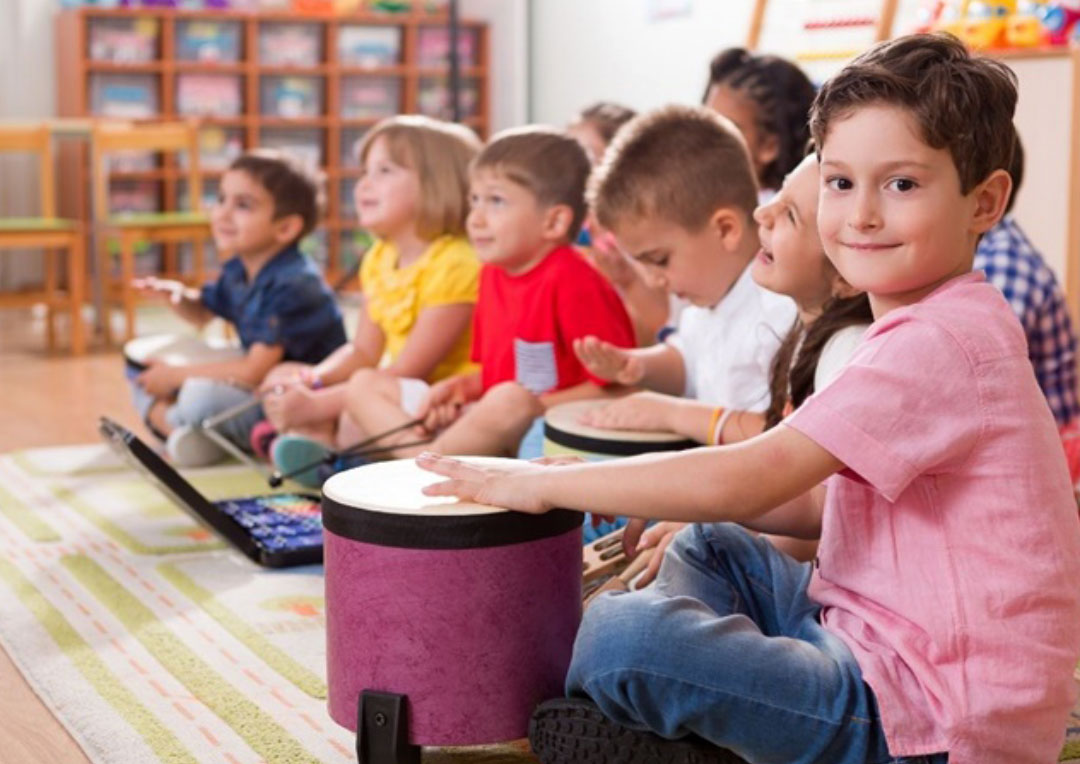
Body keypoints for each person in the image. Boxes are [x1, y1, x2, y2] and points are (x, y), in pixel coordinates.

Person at [419, 34, 1080, 764]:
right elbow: (806, 502)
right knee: (712, 545)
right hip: (862, 628)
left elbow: (755, 472)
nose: (859, 216)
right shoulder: (921, 322)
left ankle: (699, 725)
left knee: (621, 639)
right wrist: (640, 492)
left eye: (901, 185)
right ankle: (720, 712)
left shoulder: (940, 341)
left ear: (984, 201)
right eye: (838, 183)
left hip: (928, 716)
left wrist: (547, 482)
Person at [617, 153, 872, 575]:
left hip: (813, 584)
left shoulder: (847, 348)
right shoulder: (806, 335)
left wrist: (714, 528)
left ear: (843, 277)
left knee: (629, 623)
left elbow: (821, 518)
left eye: (789, 214)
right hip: (763, 534)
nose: (761, 212)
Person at [332, 126, 635, 475]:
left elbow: (619, 389)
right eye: (474, 200)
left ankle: (423, 469)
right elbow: (493, 375)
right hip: (485, 421)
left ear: (554, 221)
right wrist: (461, 388)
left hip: (539, 429)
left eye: (496, 201)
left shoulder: (575, 281)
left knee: (509, 398)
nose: (475, 218)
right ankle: (428, 460)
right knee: (365, 384)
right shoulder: (491, 274)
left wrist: (528, 407)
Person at [261, 115, 482, 484]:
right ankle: (321, 450)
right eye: (365, 170)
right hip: (398, 391)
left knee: (353, 412)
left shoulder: (456, 262)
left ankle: (326, 451)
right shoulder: (379, 257)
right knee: (283, 375)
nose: (364, 183)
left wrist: (317, 403)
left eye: (384, 170)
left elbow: (411, 370)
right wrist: (313, 379)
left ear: (435, 184)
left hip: (444, 404)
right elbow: (363, 350)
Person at [571, 105, 796, 446]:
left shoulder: (780, 309)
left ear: (725, 229)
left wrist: (671, 414)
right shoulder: (706, 301)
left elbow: (791, 437)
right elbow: (687, 361)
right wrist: (636, 365)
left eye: (659, 260)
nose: (652, 280)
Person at [131, 150, 346, 467]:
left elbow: (253, 371)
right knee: (138, 365)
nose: (223, 213)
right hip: (253, 388)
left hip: (295, 401)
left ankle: (172, 423)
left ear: (285, 228)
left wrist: (175, 377)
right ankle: (194, 433)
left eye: (243, 205)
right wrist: (177, 296)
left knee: (198, 397)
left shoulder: (294, 283)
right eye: (221, 199)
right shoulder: (239, 269)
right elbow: (202, 314)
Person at [972, 137, 1080, 481]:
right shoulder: (991, 251)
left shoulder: (1001, 265)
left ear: (984, 198)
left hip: (1049, 457)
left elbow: (976, 382)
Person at [568, 102, 670, 347]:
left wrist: (626, 280)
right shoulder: (570, 229)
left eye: (585, 156)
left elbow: (660, 330)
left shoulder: (645, 234)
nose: (568, 168)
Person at [702, 47, 817, 199]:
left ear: (769, 146)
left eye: (725, 129)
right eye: (706, 122)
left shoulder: (771, 215)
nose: (705, 139)